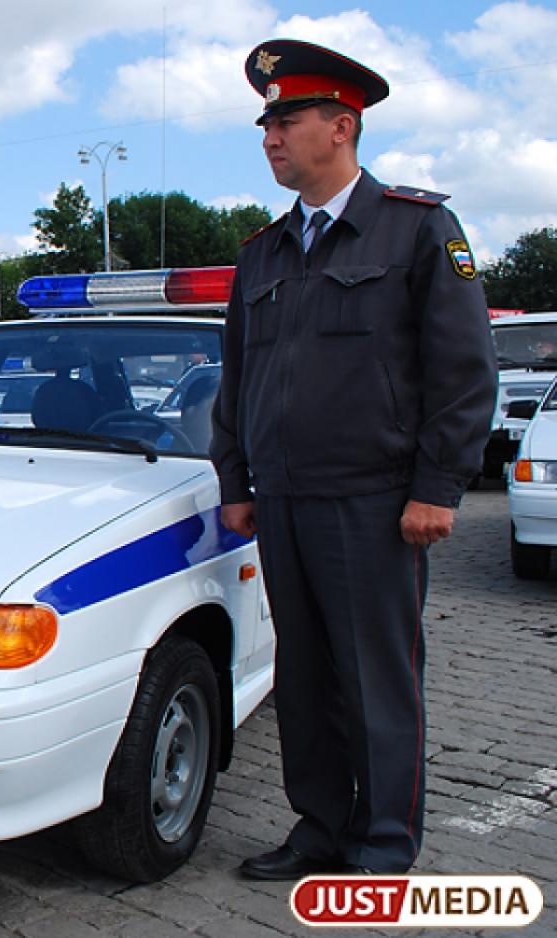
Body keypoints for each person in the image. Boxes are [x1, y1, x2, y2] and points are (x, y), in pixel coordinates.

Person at [210, 39, 496, 879]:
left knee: (377, 679)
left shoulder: (416, 229)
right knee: (302, 678)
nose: (270, 137)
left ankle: (383, 843)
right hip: (285, 500)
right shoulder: (262, 252)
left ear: (342, 125)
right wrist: (236, 479)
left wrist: (439, 486)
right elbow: (237, 377)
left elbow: (464, 369)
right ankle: (320, 828)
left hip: (377, 503)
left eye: (286, 120)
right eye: (266, 123)